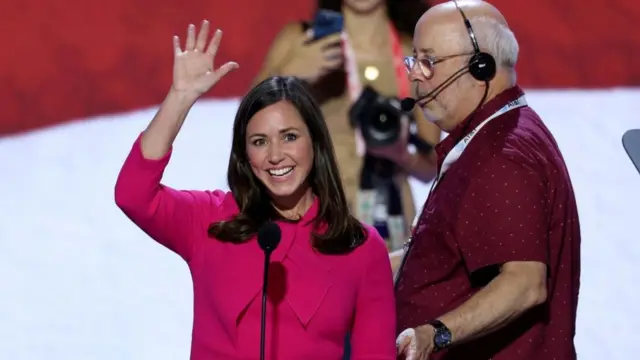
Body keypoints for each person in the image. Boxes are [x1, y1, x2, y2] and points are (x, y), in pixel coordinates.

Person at [114, 21, 396, 360]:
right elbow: (132, 193)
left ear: (315, 142)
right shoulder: (211, 221)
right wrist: (180, 97)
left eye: (290, 137)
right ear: (245, 156)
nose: (276, 155)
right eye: (259, 142)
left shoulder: (362, 249)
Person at [392, 1, 581, 359]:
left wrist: (435, 335)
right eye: (413, 60)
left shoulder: (502, 155)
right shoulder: (493, 137)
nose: (415, 74)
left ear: (481, 66)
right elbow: (445, 259)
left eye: (428, 61)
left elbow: (524, 284)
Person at [254, 0, 441, 248]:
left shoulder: (414, 53)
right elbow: (249, 128)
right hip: (315, 220)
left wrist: (401, 154)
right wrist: (286, 75)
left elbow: (431, 167)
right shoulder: (302, 40)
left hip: (390, 223)